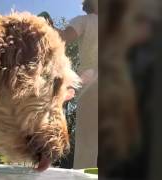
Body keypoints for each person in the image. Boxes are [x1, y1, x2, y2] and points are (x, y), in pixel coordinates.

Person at [39, 0, 98, 169]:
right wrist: (47, 26)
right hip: (95, 83)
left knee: (92, 138)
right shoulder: (85, 21)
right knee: (91, 137)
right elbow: (63, 37)